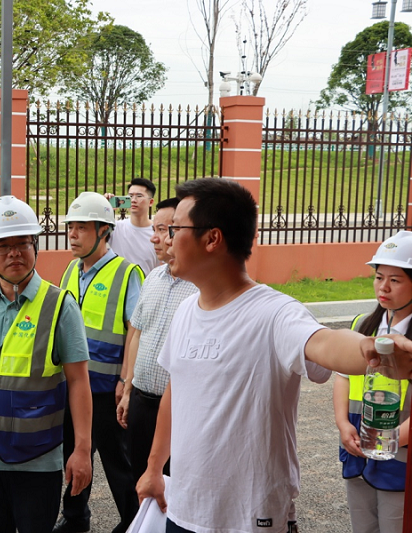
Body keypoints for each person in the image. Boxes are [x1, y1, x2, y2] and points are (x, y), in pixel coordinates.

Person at [137, 178, 412, 533]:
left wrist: (370, 349)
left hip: (251, 518)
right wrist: (154, 467)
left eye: (175, 229)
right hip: (183, 510)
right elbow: (177, 391)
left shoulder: (274, 313)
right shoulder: (187, 310)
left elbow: (326, 343)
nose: (165, 239)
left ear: (212, 239)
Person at [0, 195, 94, 533]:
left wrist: (82, 449)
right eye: (2, 246)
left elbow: (80, 382)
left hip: (37, 460)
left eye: (22, 243)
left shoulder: (59, 305)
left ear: (34, 246)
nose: (14, 253)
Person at [54, 192, 143, 533]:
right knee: (76, 455)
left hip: (106, 391)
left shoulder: (126, 273)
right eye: (70, 228)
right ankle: (76, 516)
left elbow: (136, 330)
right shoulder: (70, 271)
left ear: (104, 231)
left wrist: (126, 382)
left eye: (81, 228)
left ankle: (134, 521)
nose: (72, 235)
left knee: (117, 463)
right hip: (73, 388)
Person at [334, 231, 412, 533]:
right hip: (358, 448)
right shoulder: (362, 325)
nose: (384, 287)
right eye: (379, 277)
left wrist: (389, 438)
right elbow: (343, 377)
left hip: (399, 456)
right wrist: (343, 424)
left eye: (396, 279)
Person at [116, 197, 197, 484]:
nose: (154, 238)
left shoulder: (201, 289)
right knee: (140, 478)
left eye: (163, 229)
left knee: (174, 485)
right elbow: (137, 332)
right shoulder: (152, 279)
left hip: (179, 410)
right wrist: (128, 389)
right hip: (141, 401)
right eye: (154, 229)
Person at [107, 178, 159, 275]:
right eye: (130, 196)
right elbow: (93, 237)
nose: (133, 200)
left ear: (151, 202)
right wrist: (104, 208)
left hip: (146, 288)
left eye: (139, 196)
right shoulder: (115, 228)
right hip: (118, 288)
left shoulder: (157, 233)